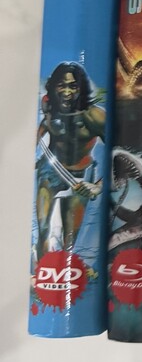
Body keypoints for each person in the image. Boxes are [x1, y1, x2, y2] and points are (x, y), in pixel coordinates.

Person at [34, 61, 105, 260]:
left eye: (73, 86)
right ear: (54, 87)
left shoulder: (95, 116)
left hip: (80, 178)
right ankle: (42, 271)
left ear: (81, 88)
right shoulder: (49, 104)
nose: (67, 92)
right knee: (43, 230)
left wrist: (98, 186)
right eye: (62, 86)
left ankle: (65, 274)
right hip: (50, 171)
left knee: (70, 239)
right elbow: (45, 125)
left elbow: (118, 153)